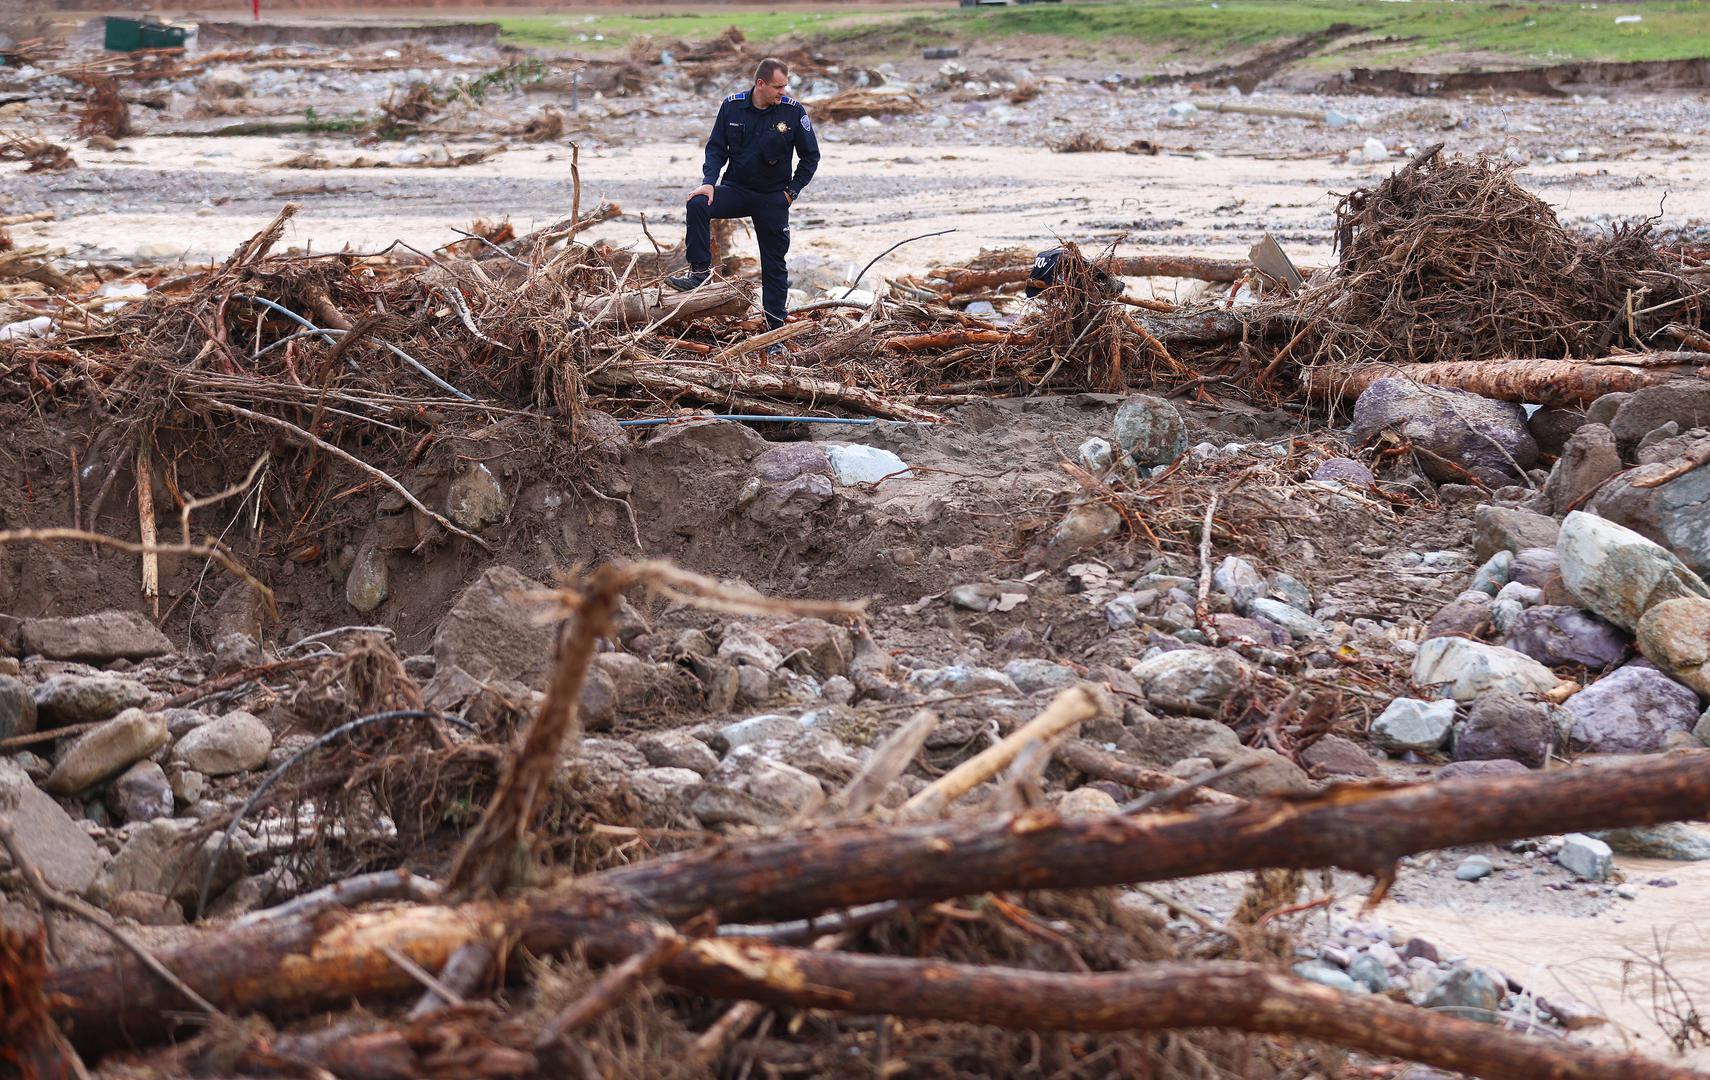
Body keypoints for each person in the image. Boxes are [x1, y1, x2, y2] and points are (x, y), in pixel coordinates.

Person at [666, 57, 821, 336]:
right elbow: (716, 149)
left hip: (774, 197)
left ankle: (775, 330)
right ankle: (699, 273)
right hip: (737, 189)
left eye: (785, 86)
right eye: (777, 87)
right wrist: (709, 183)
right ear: (759, 84)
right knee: (698, 203)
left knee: (774, 265)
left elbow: (811, 156)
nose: (782, 92)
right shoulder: (732, 106)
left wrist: (792, 192)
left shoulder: (793, 111)